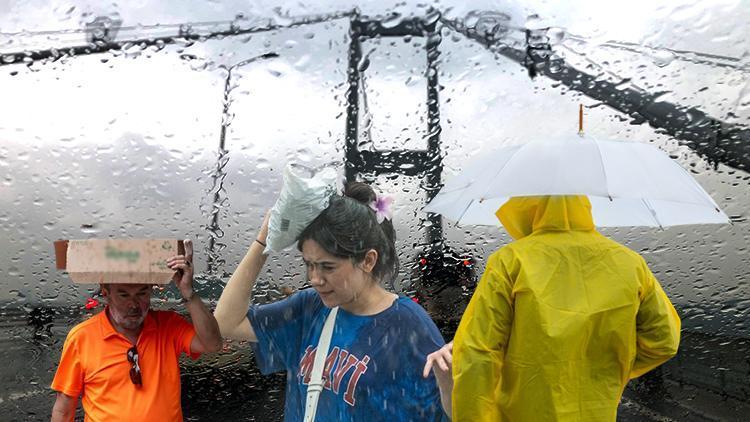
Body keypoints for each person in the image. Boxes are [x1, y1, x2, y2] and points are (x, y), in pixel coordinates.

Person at [215, 182, 453, 421]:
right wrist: (263, 241)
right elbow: (226, 323)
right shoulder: (309, 308)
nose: (315, 279)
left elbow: (449, 413)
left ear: (368, 261)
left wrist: (451, 388)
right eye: (309, 264)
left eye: (328, 267)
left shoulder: (409, 326)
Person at [451, 195, 681, 421]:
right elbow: (665, 341)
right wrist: (611, 371)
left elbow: (477, 352)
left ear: (528, 208)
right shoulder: (631, 263)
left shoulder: (510, 261)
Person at [50, 239, 222, 422]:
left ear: (151, 291)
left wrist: (188, 292)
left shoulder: (169, 326)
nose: (133, 305)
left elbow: (213, 344)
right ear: (105, 292)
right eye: (123, 294)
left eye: (142, 293)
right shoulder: (81, 337)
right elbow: (64, 408)